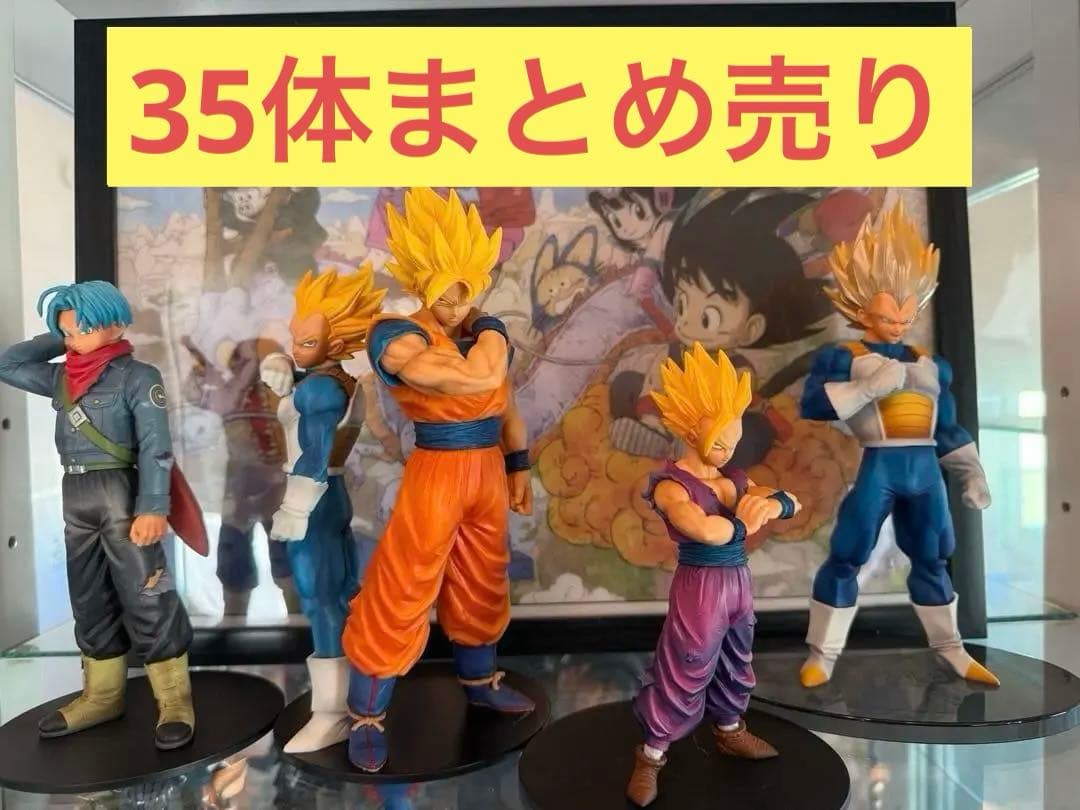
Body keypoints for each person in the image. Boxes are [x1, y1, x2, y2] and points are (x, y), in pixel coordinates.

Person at [341, 187, 534, 773]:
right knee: (403, 584)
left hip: (486, 470)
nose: (452, 304)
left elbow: (505, 404)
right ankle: (366, 713)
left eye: (463, 291)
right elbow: (476, 381)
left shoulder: (479, 338)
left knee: (483, 576)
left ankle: (480, 682)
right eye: (442, 291)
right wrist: (493, 327)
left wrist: (519, 464)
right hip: (437, 470)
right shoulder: (397, 334)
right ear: (422, 282)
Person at [798, 200, 997, 688]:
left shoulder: (930, 364)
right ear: (860, 303)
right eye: (890, 314)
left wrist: (971, 471)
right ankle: (823, 654)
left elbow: (946, 426)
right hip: (880, 467)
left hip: (925, 470)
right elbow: (814, 405)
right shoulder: (843, 356)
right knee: (848, 553)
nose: (902, 321)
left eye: (908, 311)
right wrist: (864, 388)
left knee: (934, 555)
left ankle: (951, 649)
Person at [0, 281, 201, 749]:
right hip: (75, 493)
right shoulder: (61, 377)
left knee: (148, 593)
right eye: (67, 332)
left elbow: (156, 447)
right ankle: (102, 695)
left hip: (121, 493)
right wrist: (60, 333)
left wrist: (153, 507)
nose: (74, 341)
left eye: (83, 330)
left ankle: (174, 700)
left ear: (116, 324)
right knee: (88, 596)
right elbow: (8, 364)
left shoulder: (138, 376)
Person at [627, 342, 802, 807]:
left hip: (738, 583)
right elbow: (705, 530)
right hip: (700, 585)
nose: (728, 450)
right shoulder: (671, 485)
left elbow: (788, 500)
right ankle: (652, 754)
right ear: (691, 430)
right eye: (720, 442)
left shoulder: (735, 479)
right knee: (688, 662)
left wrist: (774, 504)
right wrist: (748, 520)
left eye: (733, 441)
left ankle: (729, 729)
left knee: (736, 658)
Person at [258, 265, 388, 753]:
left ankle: (333, 713)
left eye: (308, 342)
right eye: (296, 338)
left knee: (320, 599)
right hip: (329, 497)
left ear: (337, 342)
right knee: (336, 594)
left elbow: (314, 452)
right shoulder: (327, 380)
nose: (297, 347)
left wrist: (295, 508)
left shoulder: (321, 390)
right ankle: (350, 701)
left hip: (315, 494)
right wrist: (282, 364)